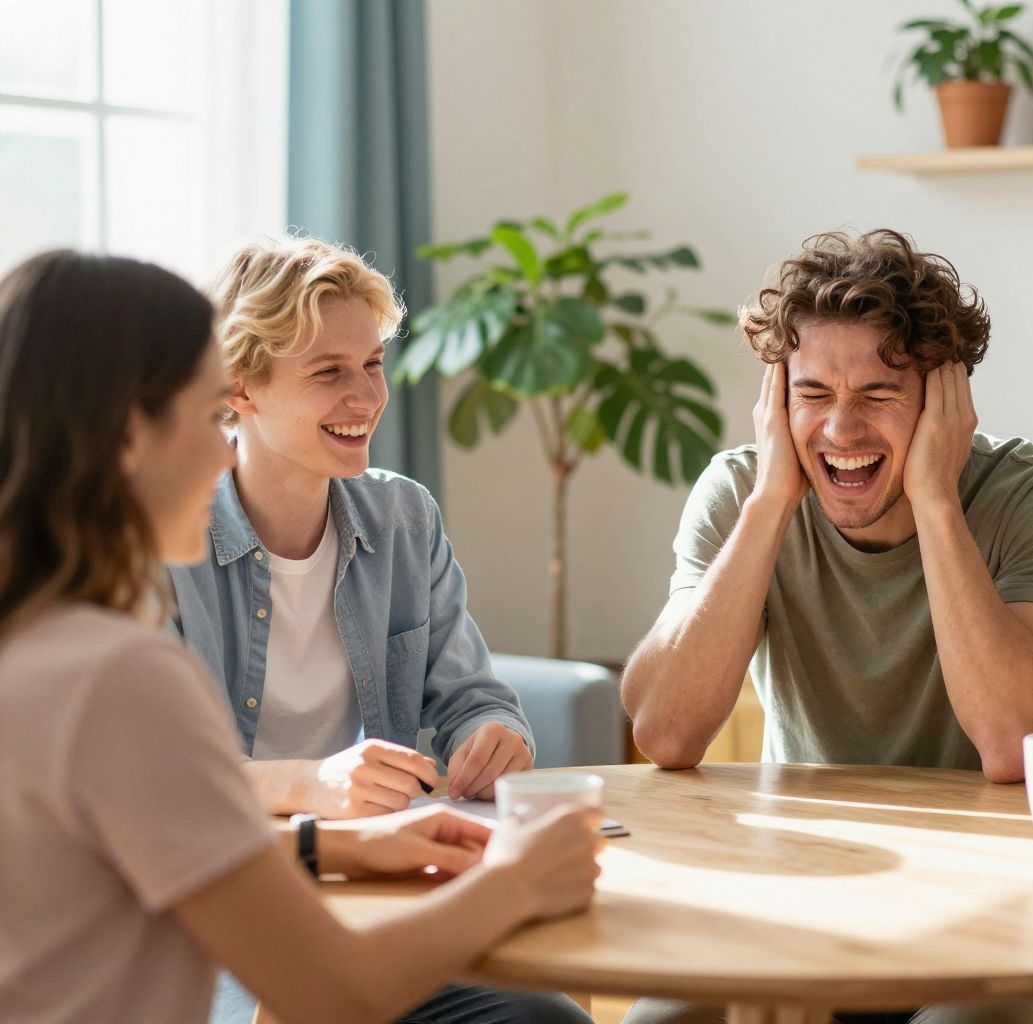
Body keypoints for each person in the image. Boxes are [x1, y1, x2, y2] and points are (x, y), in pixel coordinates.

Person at [0, 250, 602, 1024]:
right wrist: (517, 878)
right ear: (129, 436)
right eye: (201, 414)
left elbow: (128, 857)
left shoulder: (38, 640)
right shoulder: (119, 675)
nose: (222, 447)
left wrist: (335, 849)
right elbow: (332, 990)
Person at [622, 229, 1033, 1024]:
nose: (841, 431)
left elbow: (1014, 743)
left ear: (945, 401)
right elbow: (666, 732)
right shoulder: (742, 492)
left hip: (995, 914)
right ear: (777, 400)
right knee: (663, 1020)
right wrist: (771, 503)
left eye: (878, 394)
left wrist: (938, 499)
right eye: (812, 395)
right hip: (795, 893)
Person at [170, 236, 533, 821]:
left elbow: (473, 700)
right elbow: (149, 772)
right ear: (238, 386)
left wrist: (493, 735)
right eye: (328, 372)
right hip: (219, 859)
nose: (366, 397)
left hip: (380, 847)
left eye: (372, 364)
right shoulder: (160, 538)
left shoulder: (405, 521)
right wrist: (308, 784)